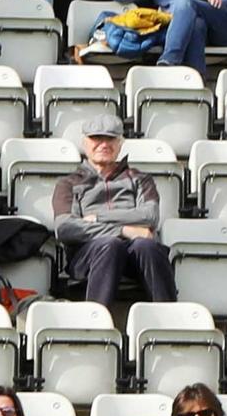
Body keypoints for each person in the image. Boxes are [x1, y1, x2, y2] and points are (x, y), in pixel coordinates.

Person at [48, 119, 174, 310]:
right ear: (85, 143)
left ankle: (169, 317)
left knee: (147, 246)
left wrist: (99, 217)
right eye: (96, 138)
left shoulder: (140, 179)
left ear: (120, 143)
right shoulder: (69, 183)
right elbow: (66, 228)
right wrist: (123, 230)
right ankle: (95, 320)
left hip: (135, 253)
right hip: (89, 254)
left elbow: (149, 215)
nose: (104, 144)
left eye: (110, 139)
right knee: (110, 244)